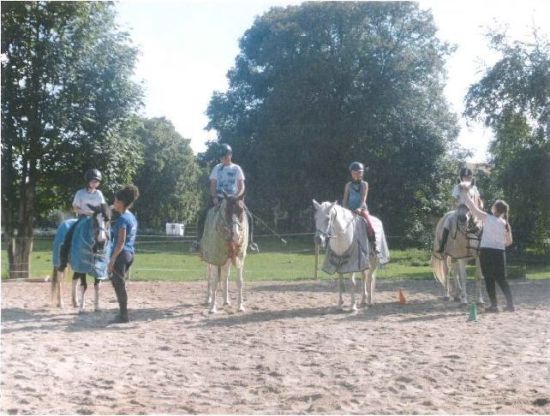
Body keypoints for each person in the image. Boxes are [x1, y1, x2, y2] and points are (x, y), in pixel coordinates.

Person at [463, 192, 514, 312]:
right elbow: (510, 242)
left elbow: (473, 209)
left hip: (486, 252)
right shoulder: (506, 224)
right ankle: (510, 305)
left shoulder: (487, 217)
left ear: (495, 208)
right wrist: (500, 244)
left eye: (494, 205)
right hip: (500, 253)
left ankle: (494, 305)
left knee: (489, 278)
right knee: (501, 279)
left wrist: (466, 194)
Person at [195, 143, 245, 249]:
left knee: (247, 216)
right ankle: (198, 241)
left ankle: (250, 241)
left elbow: (241, 186)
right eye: (221, 157)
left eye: (225, 156)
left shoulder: (237, 169)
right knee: (203, 216)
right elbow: (213, 185)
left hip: (233, 199)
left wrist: (237, 197)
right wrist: (214, 198)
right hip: (219, 197)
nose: (223, 159)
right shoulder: (217, 168)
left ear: (230, 155)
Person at [58, 168, 106, 272]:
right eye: (93, 181)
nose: (95, 184)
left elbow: (102, 206)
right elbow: (75, 208)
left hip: (96, 218)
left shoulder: (99, 194)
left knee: (104, 233)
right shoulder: (80, 193)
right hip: (82, 218)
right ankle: (63, 260)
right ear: (88, 181)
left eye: (97, 182)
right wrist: (86, 212)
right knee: (69, 234)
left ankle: (101, 253)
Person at [109, 185, 140, 323]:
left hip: (122, 254)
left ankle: (123, 315)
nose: (113, 203)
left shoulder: (122, 220)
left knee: (119, 285)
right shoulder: (130, 216)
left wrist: (112, 260)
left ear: (121, 203)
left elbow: (120, 242)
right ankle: (123, 314)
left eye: (115, 201)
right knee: (117, 283)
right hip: (130, 254)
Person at [437, 167, 482, 254]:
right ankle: (443, 245)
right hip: (460, 210)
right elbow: (453, 200)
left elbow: (479, 200)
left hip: (472, 211)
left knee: (483, 223)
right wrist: (458, 206)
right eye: (465, 177)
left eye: (469, 177)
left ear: (471, 178)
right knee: (447, 220)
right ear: (461, 178)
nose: (467, 179)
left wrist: (480, 205)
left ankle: (483, 245)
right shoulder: (457, 187)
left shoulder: (474, 188)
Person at [342, 161, 377, 252]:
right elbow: (345, 199)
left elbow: (363, 198)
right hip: (349, 210)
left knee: (370, 224)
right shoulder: (348, 185)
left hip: (361, 210)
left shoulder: (364, 184)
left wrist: (360, 208)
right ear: (351, 173)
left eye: (359, 172)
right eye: (355, 172)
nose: (357, 174)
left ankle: (373, 244)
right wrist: (344, 209)